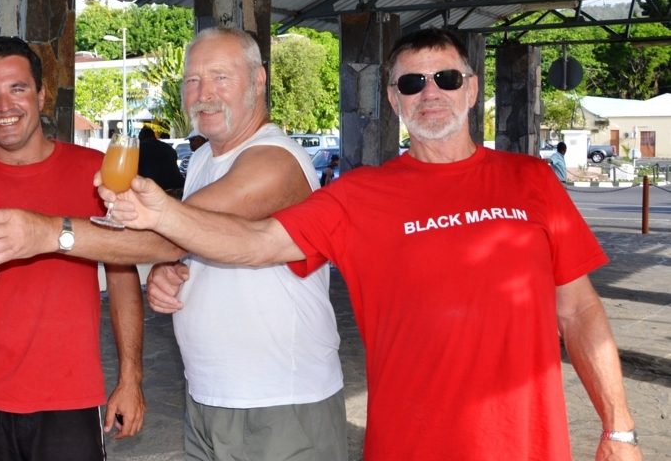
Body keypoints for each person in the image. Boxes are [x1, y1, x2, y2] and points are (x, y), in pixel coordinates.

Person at [100, 27, 643, 461]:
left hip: (525, 441)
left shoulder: (533, 181)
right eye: (411, 84)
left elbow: (579, 310)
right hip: (408, 443)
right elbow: (257, 242)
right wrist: (171, 223)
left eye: (446, 78)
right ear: (392, 99)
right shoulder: (361, 195)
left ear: (472, 89)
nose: (430, 94)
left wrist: (618, 428)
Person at [0, 27, 346, 460]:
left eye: (221, 77)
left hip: (279, 399)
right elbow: (199, 233)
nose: (204, 93)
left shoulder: (274, 160)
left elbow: (164, 235)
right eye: (193, 80)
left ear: (258, 81)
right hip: (209, 396)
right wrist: (178, 270)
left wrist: (50, 233)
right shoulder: (202, 159)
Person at [0, 36, 146, 461]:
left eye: (17, 88)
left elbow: (124, 275)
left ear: (41, 94)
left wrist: (131, 377)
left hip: (69, 397)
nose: (4, 105)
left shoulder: (94, 172)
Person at [136, 126, 185, 192]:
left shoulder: (138, 149)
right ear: (154, 136)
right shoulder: (168, 148)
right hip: (176, 187)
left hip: (153, 189)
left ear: (140, 138)